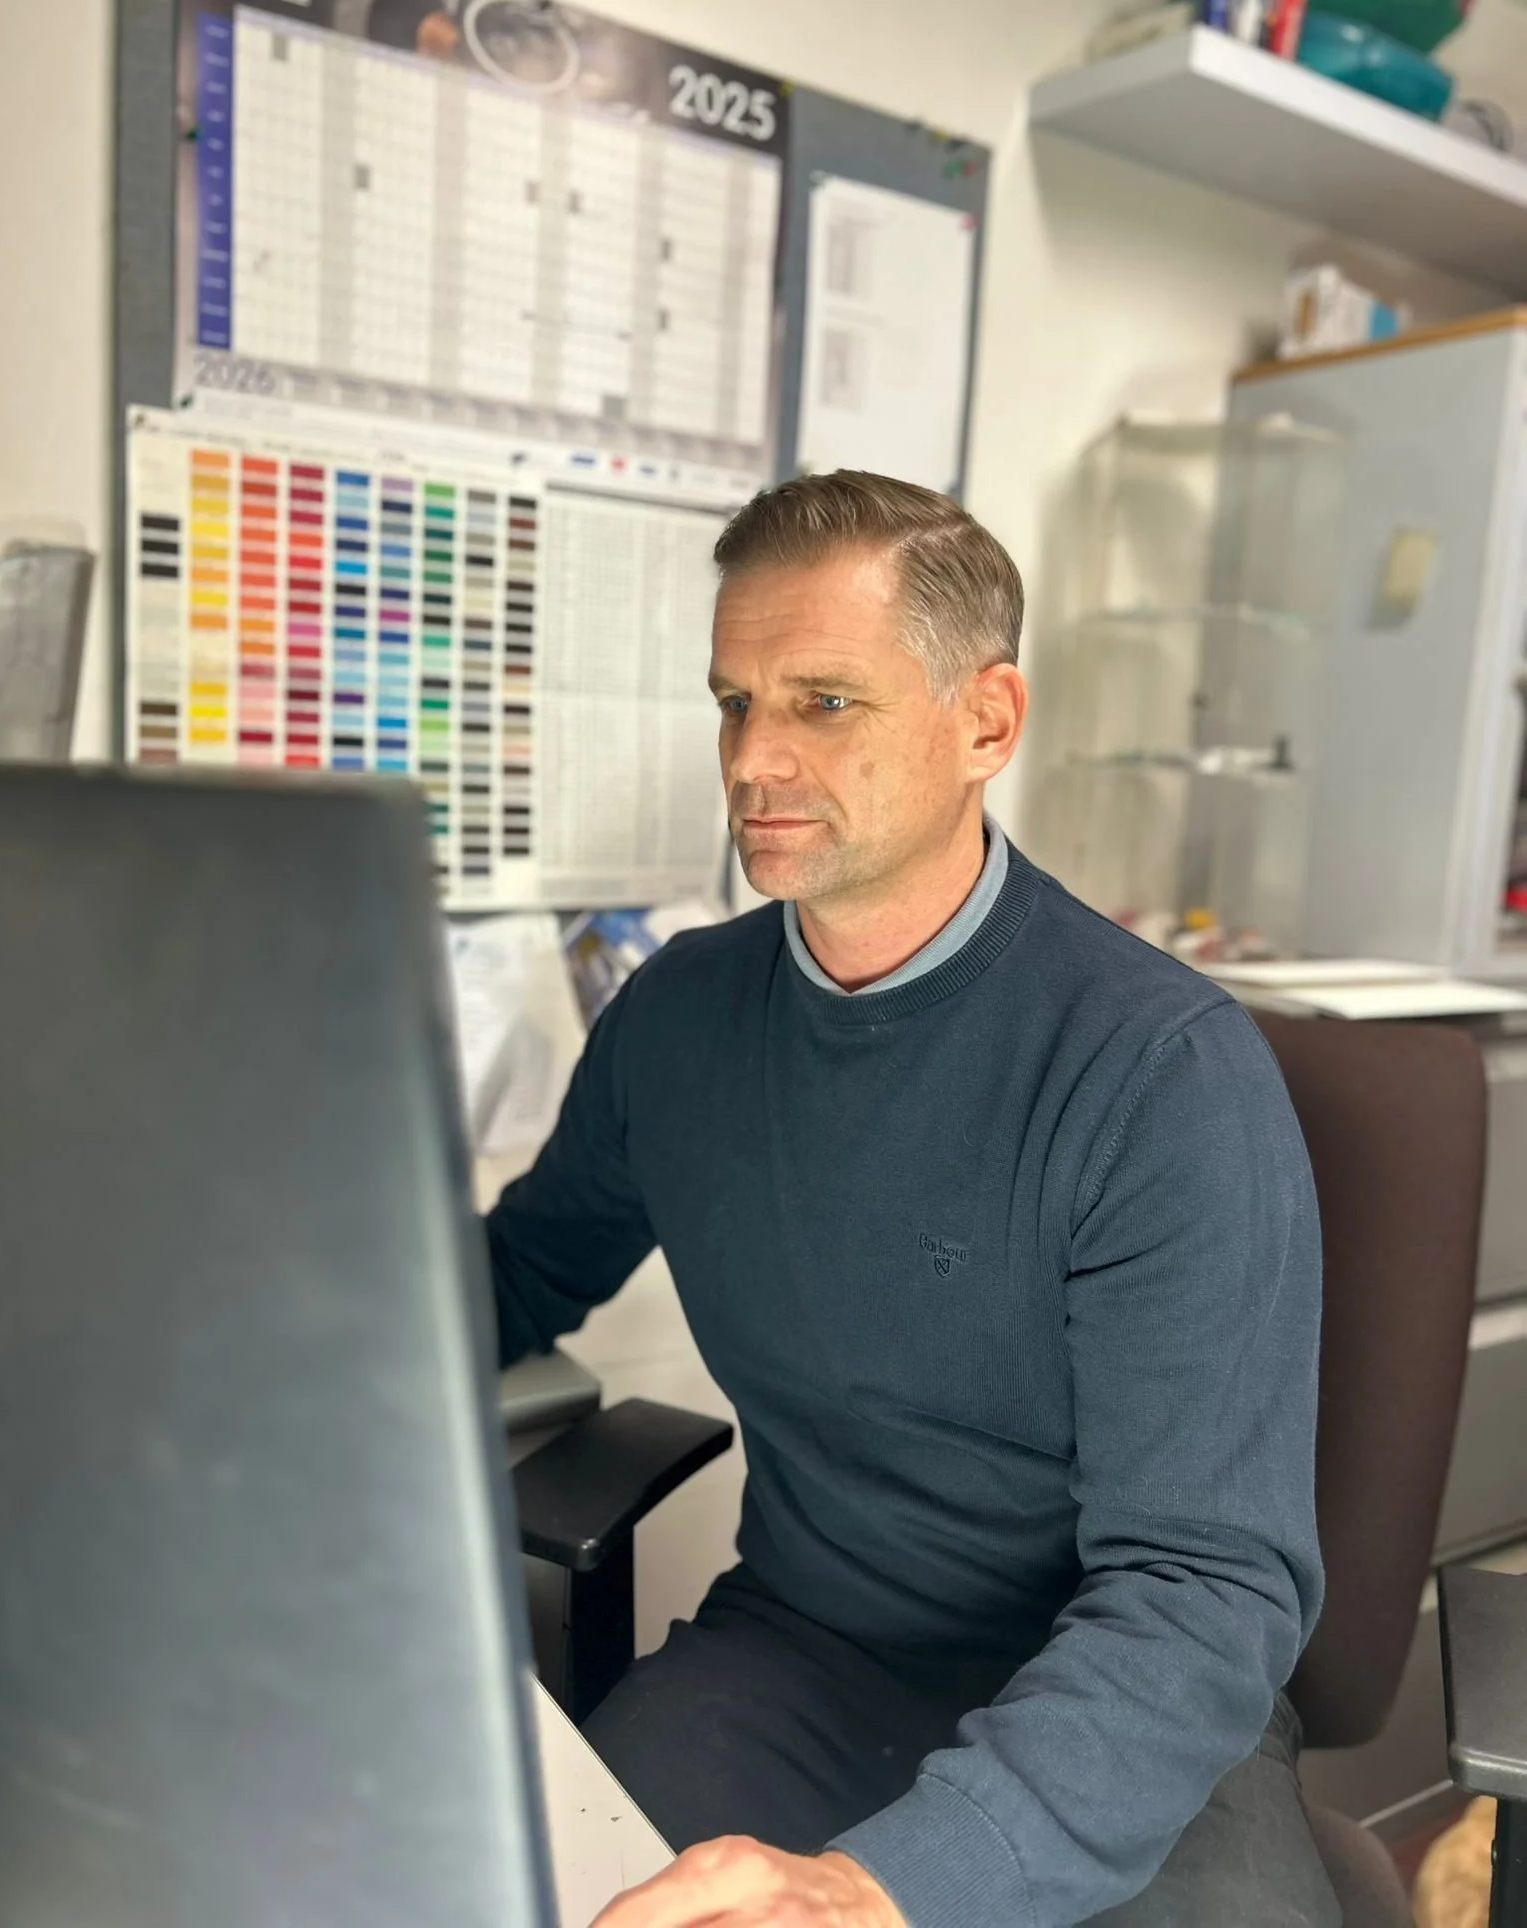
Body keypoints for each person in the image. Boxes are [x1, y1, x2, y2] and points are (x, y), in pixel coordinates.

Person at [487, 471, 1336, 1927]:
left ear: (986, 722)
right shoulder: (680, 1022)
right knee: (560, 1885)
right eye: (733, 701)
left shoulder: (1160, 1077)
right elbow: (518, 1276)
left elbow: (1204, 1592)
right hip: (807, 1651)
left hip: (1116, 1694)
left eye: (823, 702)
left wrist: (883, 1885)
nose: (754, 757)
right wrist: (255, 1382)